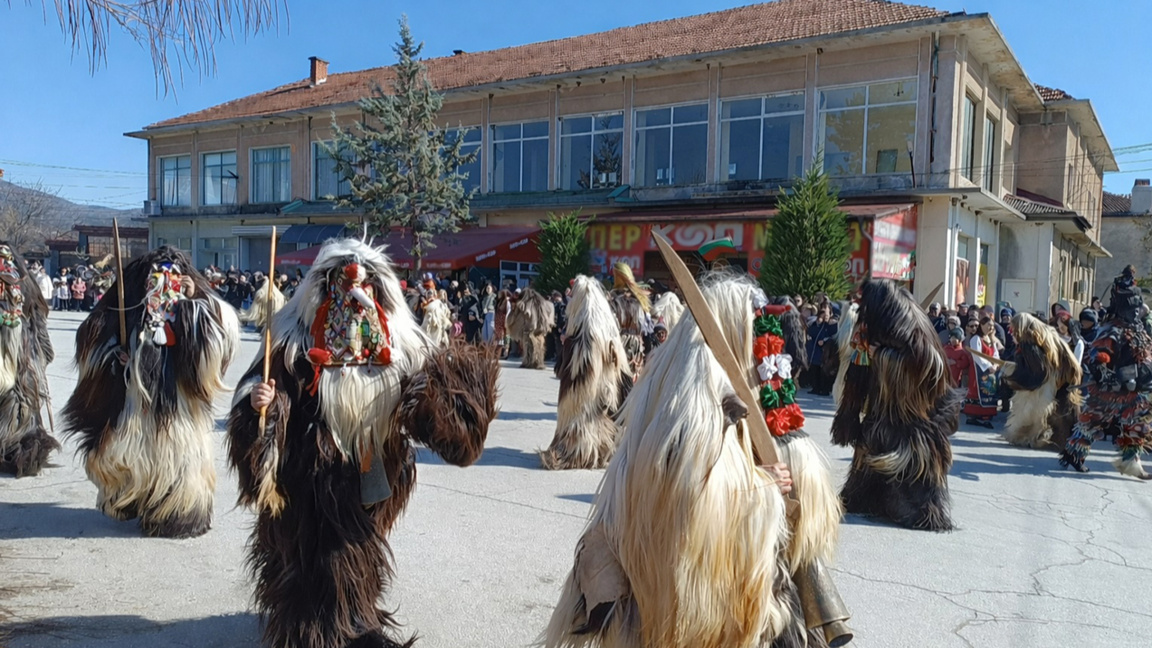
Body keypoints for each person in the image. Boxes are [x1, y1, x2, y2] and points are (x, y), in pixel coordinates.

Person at [544, 275, 844, 648]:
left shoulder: (717, 374)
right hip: (675, 600)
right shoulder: (692, 388)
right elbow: (688, 497)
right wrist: (761, 486)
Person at [230, 238, 499, 648]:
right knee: (317, 553)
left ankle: (351, 620)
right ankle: (319, 629)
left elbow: (428, 408)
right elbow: (265, 387)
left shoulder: (399, 347)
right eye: (341, 286)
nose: (352, 298)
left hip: (370, 467)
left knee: (356, 548)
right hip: (312, 471)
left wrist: (459, 411)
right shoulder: (291, 340)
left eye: (363, 288)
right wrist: (259, 404)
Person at [61, 246, 239, 537]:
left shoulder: (194, 306)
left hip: (181, 403)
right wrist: (118, 358)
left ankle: (181, 511)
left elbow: (222, 336)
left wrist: (195, 299)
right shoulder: (131, 311)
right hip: (138, 401)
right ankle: (134, 500)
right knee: (135, 454)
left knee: (181, 459)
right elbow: (93, 335)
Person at [832, 279, 960, 531]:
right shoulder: (879, 324)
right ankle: (864, 498)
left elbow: (927, 367)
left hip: (917, 418)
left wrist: (880, 357)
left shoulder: (912, 325)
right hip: (885, 411)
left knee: (910, 467)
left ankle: (921, 511)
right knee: (871, 450)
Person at [1061, 266, 1152, 479]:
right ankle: (1074, 455)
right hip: (1110, 391)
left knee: (1137, 426)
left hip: (1135, 390)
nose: (1136, 310)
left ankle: (1131, 463)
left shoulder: (1138, 329)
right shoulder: (1112, 329)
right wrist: (1103, 371)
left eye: (1138, 306)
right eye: (1133, 305)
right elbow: (1099, 355)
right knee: (1091, 424)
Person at [542, 275, 630, 470]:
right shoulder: (611, 337)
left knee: (580, 420)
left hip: (579, 401)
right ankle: (600, 451)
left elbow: (563, 370)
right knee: (601, 417)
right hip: (605, 395)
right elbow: (624, 377)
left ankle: (578, 452)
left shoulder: (577, 338)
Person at [0, 244, 57, 477]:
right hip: (20, 352)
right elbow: (40, 320)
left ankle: (16, 448)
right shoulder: (28, 283)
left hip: (23, 352)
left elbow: (38, 320)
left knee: (21, 401)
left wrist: (42, 348)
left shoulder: (25, 285)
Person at [1000, 312, 1082, 450]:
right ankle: (1063, 439)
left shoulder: (1030, 341)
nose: (1011, 333)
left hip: (1059, 376)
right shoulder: (1041, 335)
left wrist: (1013, 373)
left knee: (1041, 408)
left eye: (1013, 329)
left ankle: (1038, 437)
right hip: (1061, 375)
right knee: (1060, 409)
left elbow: (1037, 374)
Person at [964, 317, 1002, 428]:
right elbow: (977, 356)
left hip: (991, 371)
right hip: (979, 369)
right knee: (977, 391)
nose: (991, 328)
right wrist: (988, 366)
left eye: (992, 326)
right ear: (982, 325)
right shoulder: (976, 339)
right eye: (988, 325)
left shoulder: (991, 340)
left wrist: (995, 365)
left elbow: (995, 355)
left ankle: (986, 416)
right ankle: (973, 416)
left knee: (989, 391)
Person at [506, 287, 554, 369]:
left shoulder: (524, 304)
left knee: (528, 346)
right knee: (539, 346)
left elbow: (524, 314)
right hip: (540, 329)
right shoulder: (544, 304)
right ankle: (538, 362)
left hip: (529, 329)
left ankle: (528, 362)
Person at [806, 304, 837, 395]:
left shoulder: (833, 324)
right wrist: (818, 322)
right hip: (816, 350)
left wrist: (825, 340)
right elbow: (811, 332)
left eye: (826, 314)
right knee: (815, 369)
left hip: (827, 351)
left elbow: (834, 336)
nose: (825, 316)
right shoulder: (816, 324)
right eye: (823, 313)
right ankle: (815, 387)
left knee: (825, 370)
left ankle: (825, 389)